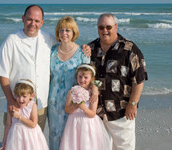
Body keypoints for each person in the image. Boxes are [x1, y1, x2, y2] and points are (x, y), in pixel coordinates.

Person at [88, 13, 148, 150]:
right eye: (101, 27)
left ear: (116, 27)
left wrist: (133, 104)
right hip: (97, 113)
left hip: (121, 112)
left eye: (108, 27)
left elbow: (139, 79)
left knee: (124, 147)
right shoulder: (90, 49)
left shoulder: (129, 49)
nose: (105, 30)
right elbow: (90, 77)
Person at [48, 16, 91, 150]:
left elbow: (88, 79)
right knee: (54, 135)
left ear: (74, 32)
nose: (64, 33)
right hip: (53, 101)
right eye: (61, 30)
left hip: (73, 102)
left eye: (68, 30)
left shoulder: (82, 53)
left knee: (72, 136)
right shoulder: (52, 51)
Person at [60, 64, 111, 150]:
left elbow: (92, 113)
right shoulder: (72, 91)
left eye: (86, 77)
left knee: (87, 145)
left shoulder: (93, 94)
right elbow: (67, 109)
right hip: (74, 123)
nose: (82, 80)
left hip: (88, 125)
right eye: (80, 77)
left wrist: (84, 108)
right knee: (74, 145)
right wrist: (75, 106)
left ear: (91, 78)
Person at [1, 79, 49, 150]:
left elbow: (33, 124)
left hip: (30, 137)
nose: (20, 99)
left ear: (31, 96)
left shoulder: (32, 105)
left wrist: (19, 117)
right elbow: (8, 124)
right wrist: (4, 139)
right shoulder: (12, 107)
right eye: (17, 96)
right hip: (16, 136)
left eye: (24, 96)